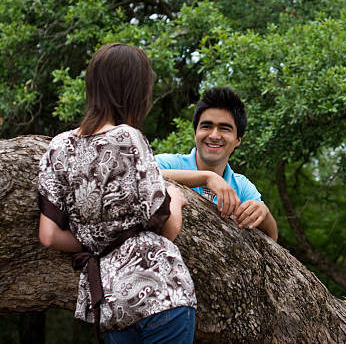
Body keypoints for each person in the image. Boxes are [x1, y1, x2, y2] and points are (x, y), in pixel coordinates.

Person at [37, 43, 197, 343]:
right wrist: (174, 199)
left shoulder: (57, 147)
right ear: (135, 91)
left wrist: (98, 241)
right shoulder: (128, 138)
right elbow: (167, 228)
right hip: (161, 295)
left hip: (109, 306)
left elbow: (48, 236)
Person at [155, 87, 278, 242]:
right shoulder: (169, 163)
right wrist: (207, 178)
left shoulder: (242, 187)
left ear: (238, 140)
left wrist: (264, 213)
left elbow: (272, 238)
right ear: (195, 134)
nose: (214, 135)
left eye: (224, 128)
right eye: (206, 126)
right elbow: (139, 174)